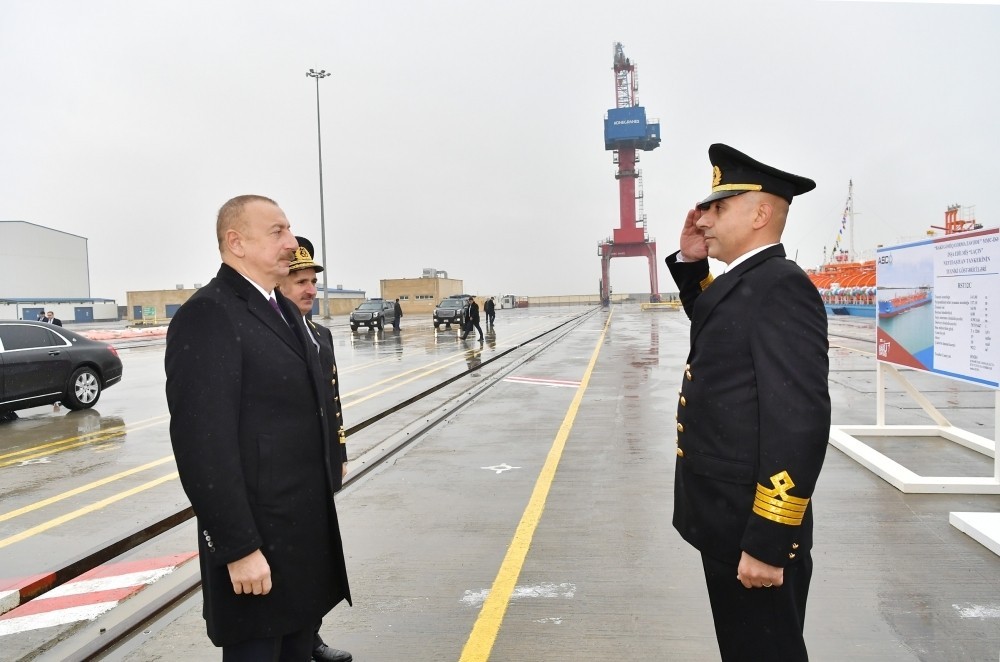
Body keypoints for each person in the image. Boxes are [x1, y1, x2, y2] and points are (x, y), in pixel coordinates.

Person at [164, 195, 351, 660]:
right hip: (258, 548)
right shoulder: (210, 314)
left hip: (298, 540)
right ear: (236, 242)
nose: (291, 243)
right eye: (278, 232)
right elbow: (202, 445)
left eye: (289, 230)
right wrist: (238, 548)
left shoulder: (283, 311)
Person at [665, 144, 830, 662]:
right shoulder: (748, 281)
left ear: (760, 214)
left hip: (750, 529)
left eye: (718, 207)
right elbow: (720, 326)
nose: (703, 218)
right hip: (726, 522)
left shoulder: (781, 287)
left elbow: (798, 421)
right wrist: (692, 265)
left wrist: (768, 538)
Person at [278, 236, 353, 662]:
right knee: (295, 561)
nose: (309, 290)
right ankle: (296, 642)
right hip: (290, 472)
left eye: (312, 281)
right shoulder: (277, 335)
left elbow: (332, 403)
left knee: (317, 558)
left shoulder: (320, 334)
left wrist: (338, 455)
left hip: (319, 467)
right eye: (300, 281)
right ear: (281, 284)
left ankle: (311, 638)